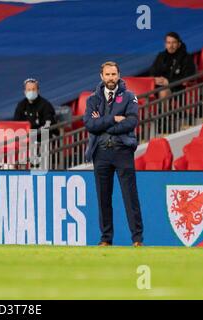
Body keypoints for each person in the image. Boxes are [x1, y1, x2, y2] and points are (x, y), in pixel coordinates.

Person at [83, 61, 144, 247]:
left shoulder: (129, 97)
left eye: (114, 74)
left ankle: (137, 239)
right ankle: (106, 238)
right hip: (100, 153)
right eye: (107, 74)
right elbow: (89, 124)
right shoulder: (92, 99)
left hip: (122, 151)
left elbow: (131, 122)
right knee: (103, 197)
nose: (111, 78)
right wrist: (113, 119)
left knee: (130, 196)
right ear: (101, 76)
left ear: (119, 75)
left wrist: (103, 123)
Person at [149, 32, 196, 98]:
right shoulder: (161, 56)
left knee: (163, 92)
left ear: (179, 44)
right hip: (159, 86)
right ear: (165, 44)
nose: (171, 46)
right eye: (168, 43)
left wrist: (168, 82)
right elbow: (153, 71)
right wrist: (155, 79)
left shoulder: (186, 58)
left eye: (174, 43)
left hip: (179, 89)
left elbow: (187, 77)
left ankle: (162, 108)